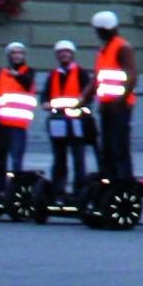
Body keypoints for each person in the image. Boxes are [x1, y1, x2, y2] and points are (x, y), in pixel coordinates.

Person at [89, 11, 137, 184]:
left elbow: (131, 76)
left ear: (104, 30)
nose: (96, 33)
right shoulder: (104, 50)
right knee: (107, 145)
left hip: (120, 107)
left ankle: (123, 179)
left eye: (97, 30)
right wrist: (82, 100)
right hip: (106, 106)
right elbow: (97, 79)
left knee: (119, 145)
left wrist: (120, 100)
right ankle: (109, 176)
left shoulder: (122, 47)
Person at [44, 40, 91, 195]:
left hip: (76, 121)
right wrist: (45, 104)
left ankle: (80, 190)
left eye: (67, 52)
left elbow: (88, 95)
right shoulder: (53, 75)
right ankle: (58, 190)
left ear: (72, 54)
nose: (64, 54)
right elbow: (44, 96)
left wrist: (80, 105)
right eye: (61, 52)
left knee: (79, 158)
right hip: (58, 121)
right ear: (57, 55)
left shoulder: (81, 73)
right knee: (59, 158)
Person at [0, 42, 35, 196]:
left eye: (20, 52)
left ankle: (15, 190)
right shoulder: (2, 72)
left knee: (16, 159)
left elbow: (27, 83)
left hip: (18, 123)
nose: (17, 55)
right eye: (13, 53)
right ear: (9, 56)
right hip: (1, 122)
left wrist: (17, 75)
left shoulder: (28, 72)